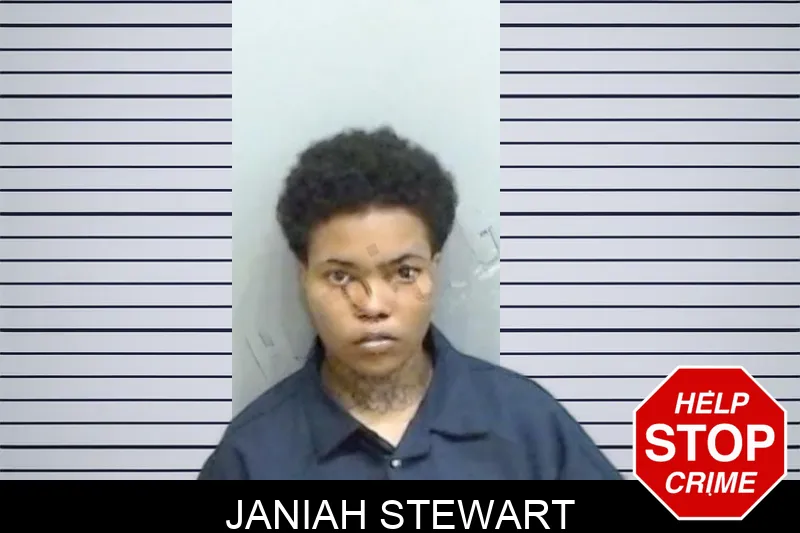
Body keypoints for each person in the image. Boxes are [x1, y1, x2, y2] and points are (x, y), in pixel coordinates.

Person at [198, 126, 621, 480]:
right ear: (303, 277)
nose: (373, 306)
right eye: (341, 276)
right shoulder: (250, 458)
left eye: (404, 272)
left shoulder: (528, 427)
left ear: (434, 269)